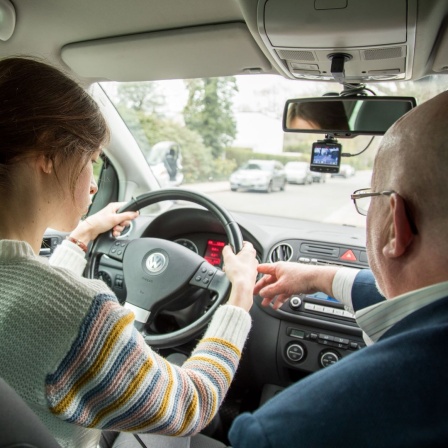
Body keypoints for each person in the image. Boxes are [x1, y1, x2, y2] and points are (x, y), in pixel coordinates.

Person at [0, 57, 259, 448]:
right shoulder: (80, 313)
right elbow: (192, 405)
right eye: (91, 161)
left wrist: (82, 236)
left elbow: (25, 298)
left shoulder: (35, 299)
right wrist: (239, 298)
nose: (92, 183)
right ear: (49, 154)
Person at [229, 90, 448, 447]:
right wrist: (319, 277)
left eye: (369, 196)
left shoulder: (281, 432)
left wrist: (238, 298)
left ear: (395, 225)